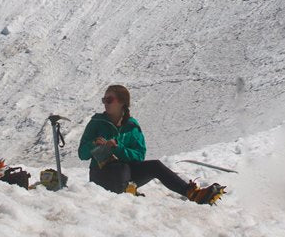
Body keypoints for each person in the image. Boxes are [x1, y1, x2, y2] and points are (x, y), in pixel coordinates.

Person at [78, 85, 225, 204]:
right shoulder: (96, 123)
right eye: (104, 100)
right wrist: (93, 144)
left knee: (155, 165)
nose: (105, 103)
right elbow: (82, 154)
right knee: (121, 168)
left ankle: (192, 193)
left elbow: (139, 155)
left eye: (109, 100)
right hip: (100, 174)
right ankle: (127, 191)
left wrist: (117, 148)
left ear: (122, 102)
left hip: (126, 175)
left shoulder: (132, 127)